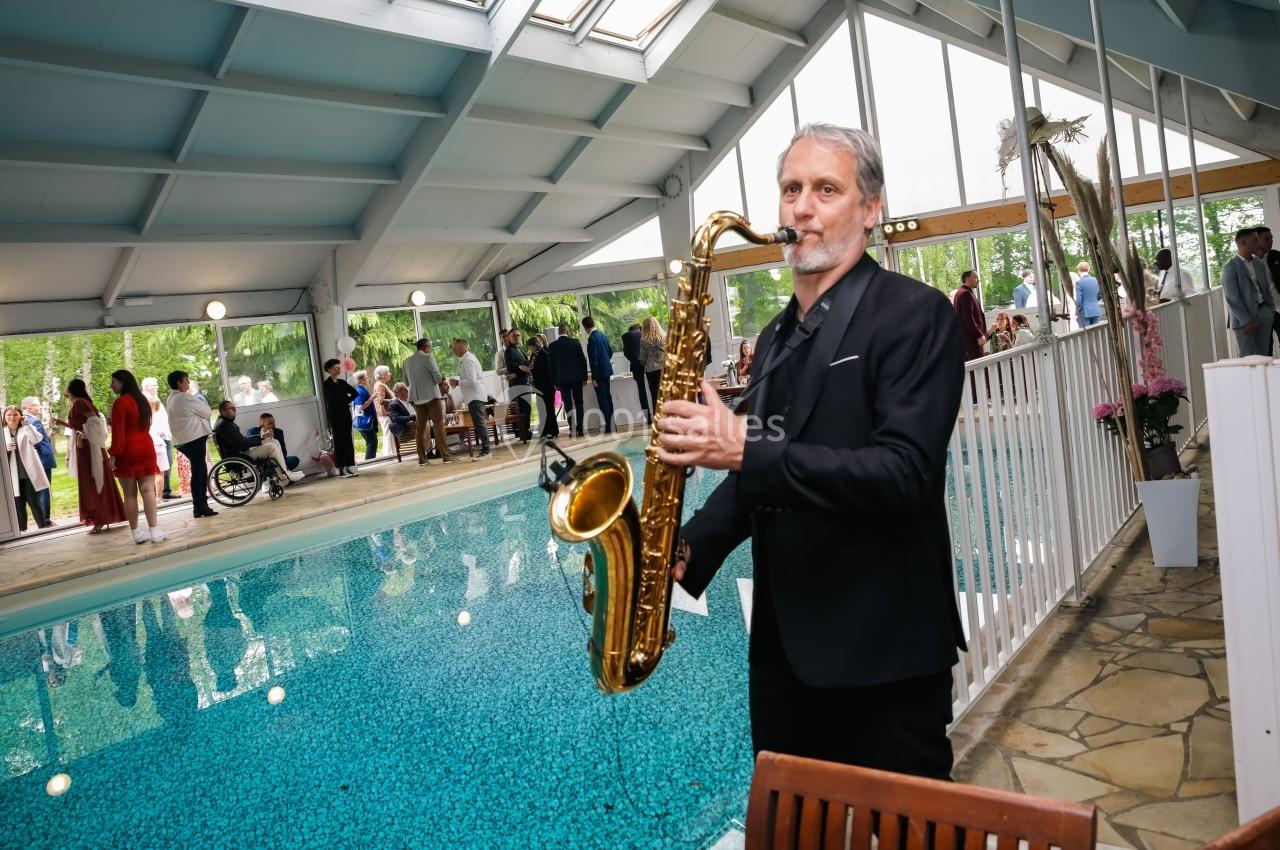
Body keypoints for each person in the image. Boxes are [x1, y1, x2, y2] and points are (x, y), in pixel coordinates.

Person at [656, 123, 966, 780]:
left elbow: (904, 474)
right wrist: (686, 546)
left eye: (827, 189)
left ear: (871, 208)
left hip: (885, 658)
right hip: (783, 659)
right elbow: (758, 475)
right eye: (791, 188)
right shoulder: (774, 337)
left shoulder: (916, 314)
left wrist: (744, 447)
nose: (802, 206)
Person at [53, 379, 126, 533]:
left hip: (87, 448)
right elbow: (81, 423)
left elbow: (94, 421)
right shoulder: (78, 402)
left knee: (92, 482)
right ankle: (101, 517)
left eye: (66, 387)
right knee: (90, 481)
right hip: (84, 447)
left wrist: (84, 436)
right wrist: (64, 424)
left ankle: (101, 518)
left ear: (71, 389)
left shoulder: (80, 402)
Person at [108, 369, 166, 544]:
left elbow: (118, 434)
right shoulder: (142, 400)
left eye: (114, 382)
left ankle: (136, 533)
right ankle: (154, 531)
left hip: (127, 450)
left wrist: (113, 455)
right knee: (148, 490)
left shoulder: (120, 403)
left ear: (122, 383)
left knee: (130, 494)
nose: (111, 385)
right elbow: (146, 426)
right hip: (146, 447)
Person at [212, 401, 304, 485]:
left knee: (274, 441)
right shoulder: (224, 425)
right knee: (271, 447)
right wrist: (260, 439)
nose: (235, 410)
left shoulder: (225, 423)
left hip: (240, 452)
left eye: (234, 408)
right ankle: (286, 475)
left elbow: (240, 440)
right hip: (240, 455)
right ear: (223, 411)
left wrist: (261, 437)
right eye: (231, 408)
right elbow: (241, 443)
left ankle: (285, 473)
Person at [165, 370, 216, 519]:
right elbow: (207, 412)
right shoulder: (184, 397)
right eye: (186, 380)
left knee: (198, 470)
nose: (188, 383)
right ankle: (200, 506)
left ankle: (200, 505)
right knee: (199, 472)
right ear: (179, 383)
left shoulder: (171, 398)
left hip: (183, 440)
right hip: (194, 438)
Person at [1221, 227, 1275, 356]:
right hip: (1244, 321)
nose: (1258, 243)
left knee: (1264, 357)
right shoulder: (1230, 267)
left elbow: (1266, 288)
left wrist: (1270, 310)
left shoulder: (1258, 263)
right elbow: (1232, 297)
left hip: (1264, 314)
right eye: (1255, 240)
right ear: (1244, 243)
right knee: (1248, 359)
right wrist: (1246, 321)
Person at [402, 338, 453, 464]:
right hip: (431, 396)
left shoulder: (406, 361)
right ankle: (446, 456)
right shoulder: (428, 358)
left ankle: (422, 459)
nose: (429, 349)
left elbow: (406, 382)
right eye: (429, 347)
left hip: (417, 398)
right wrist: (443, 378)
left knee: (420, 429)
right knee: (438, 425)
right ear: (426, 347)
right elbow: (437, 378)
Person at [4, 405, 51, 531]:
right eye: (9, 414)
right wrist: (5, 450)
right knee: (18, 505)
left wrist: (26, 424)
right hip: (12, 475)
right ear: (4, 417)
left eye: (15, 414)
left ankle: (43, 529)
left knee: (34, 502)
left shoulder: (25, 428)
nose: (12, 417)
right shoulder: (3, 432)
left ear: (21, 416)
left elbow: (37, 439)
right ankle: (22, 532)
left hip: (28, 474)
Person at [450, 339, 491, 457]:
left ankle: (486, 450)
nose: (454, 350)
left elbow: (472, 381)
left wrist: (458, 382)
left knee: (479, 423)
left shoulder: (468, 360)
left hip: (475, 396)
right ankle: (485, 448)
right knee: (478, 423)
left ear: (463, 347)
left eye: (455, 347)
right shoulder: (467, 359)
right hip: (473, 396)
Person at [321, 359, 360, 476]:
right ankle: (341, 468)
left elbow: (354, 393)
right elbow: (332, 400)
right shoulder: (326, 384)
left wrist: (345, 401)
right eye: (335, 367)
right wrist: (343, 402)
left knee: (347, 439)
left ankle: (349, 465)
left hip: (345, 413)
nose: (338, 369)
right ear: (329, 369)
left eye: (339, 367)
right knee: (339, 440)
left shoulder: (342, 382)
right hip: (335, 415)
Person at [548, 324, 588, 438]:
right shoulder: (575, 343)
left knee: (568, 404)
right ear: (567, 331)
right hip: (576, 378)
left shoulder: (552, 346)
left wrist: (554, 382)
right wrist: (584, 377)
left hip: (562, 380)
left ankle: (572, 429)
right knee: (579, 403)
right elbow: (582, 361)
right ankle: (580, 429)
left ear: (559, 332)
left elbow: (551, 366)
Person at [21, 397, 56, 521]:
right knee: (43, 489)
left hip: (36, 460)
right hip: (42, 460)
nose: (40, 407)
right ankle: (45, 520)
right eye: (37, 405)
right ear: (29, 408)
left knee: (40, 490)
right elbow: (37, 442)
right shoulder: (32, 421)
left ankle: (44, 520)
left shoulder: (26, 420)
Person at [141, 377, 176, 501]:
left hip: (163, 436)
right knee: (159, 468)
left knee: (167, 465)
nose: (157, 387)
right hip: (156, 438)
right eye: (154, 385)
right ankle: (158, 495)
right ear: (147, 386)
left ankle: (164, 491)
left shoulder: (155, 399)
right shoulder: (146, 400)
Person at [583, 316, 614, 434]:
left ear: (585, 327)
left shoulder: (592, 339)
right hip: (607, 371)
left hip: (599, 374)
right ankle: (613, 424)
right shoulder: (603, 336)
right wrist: (605, 362)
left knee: (603, 400)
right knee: (608, 397)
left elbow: (593, 360)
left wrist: (594, 377)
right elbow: (610, 352)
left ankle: (609, 426)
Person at [1252, 225, 1280, 352]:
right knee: (1265, 349)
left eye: (1271, 238)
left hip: (1279, 309)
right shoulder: (1249, 262)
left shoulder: (1277, 256)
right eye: (1266, 239)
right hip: (1261, 313)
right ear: (1256, 241)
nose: (1271, 241)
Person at [504, 330, 534, 442]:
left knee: (528, 408)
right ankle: (523, 432)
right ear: (509, 338)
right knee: (522, 409)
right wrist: (522, 368)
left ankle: (527, 430)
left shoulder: (519, 349)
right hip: (518, 385)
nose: (517, 337)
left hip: (525, 383)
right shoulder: (509, 351)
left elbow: (524, 364)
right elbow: (511, 367)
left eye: (518, 335)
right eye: (514, 336)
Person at [952, 269, 986, 360]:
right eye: (975, 277)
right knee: (977, 368)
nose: (978, 280)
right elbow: (968, 318)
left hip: (969, 340)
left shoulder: (962, 292)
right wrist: (979, 335)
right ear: (967, 279)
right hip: (972, 340)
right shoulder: (965, 294)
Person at [622, 322, 651, 422]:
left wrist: (634, 360)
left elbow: (626, 353)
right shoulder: (645, 334)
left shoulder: (626, 336)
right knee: (653, 390)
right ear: (639, 328)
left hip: (636, 366)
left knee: (641, 391)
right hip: (649, 364)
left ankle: (648, 417)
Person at [638, 317, 666, 415]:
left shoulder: (644, 341)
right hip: (665, 369)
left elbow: (642, 358)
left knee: (655, 395)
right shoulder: (665, 337)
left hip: (652, 370)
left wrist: (644, 362)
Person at [147, 397, 171, 502]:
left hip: (148, 446)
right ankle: (158, 497)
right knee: (160, 473)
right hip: (159, 444)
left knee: (149, 474)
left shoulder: (143, 417)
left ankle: (151, 497)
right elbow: (164, 432)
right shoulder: (158, 417)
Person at [352, 370, 379, 460]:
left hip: (368, 420)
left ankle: (370, 462)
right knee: (372, 443)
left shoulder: (361, 390)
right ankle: (369, 463)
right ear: (361, 379)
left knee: (372, 442)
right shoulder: (359, 391)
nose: (368, 379)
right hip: (365, 421)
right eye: (366, 377)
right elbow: (360, 407)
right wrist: (372, 398)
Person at [371, 365, 393, 458]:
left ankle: (390, 454)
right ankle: (389, 455)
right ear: (382, 375)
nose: (390, 374)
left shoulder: (380, 384)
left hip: (384, 414)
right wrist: (395, 400)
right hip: (385, 414)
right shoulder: (380, 385)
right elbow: (381, 400)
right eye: (388, 372)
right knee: (388, 434)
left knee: (388, 434)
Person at [1074, 262, 1102, 327]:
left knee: (1086, 335)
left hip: (1084, 313)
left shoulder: (1079, 282)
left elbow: (1079, 300)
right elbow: (1100, 295)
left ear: (1078, 271)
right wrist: (1094, 300)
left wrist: (1077, 311)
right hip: (1095, 311)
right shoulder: (1095, 280)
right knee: (1096, 333)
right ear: (1089, 269)